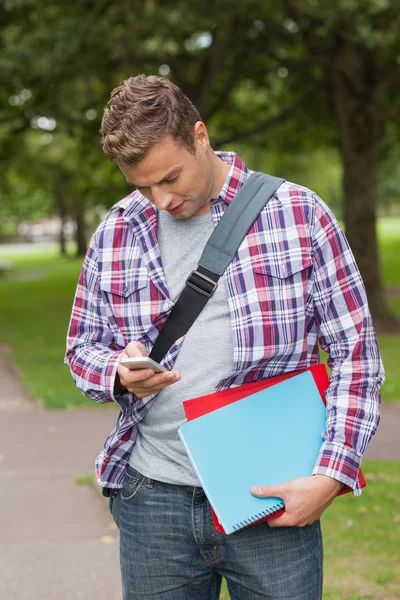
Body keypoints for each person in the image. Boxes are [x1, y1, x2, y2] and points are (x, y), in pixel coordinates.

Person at [65, 74, 384, 600]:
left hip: (270, 498)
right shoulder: (118, 229)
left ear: (200, 136)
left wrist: (332, 475)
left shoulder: (299, 214)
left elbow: (357, 358)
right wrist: (117, 375)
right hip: (154, 500)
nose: (161, 199)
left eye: (170, 178)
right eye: (142, 186)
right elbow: (81, 349)